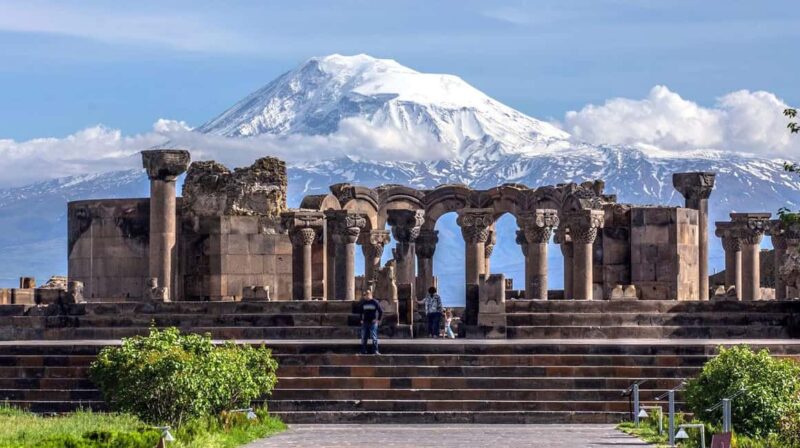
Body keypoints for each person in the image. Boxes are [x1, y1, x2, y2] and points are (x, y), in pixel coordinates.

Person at [358, 289, 383, 355]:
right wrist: (361, 319)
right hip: (365, 322)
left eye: (365, 295)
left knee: (374, 337)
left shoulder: (375, 302)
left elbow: (381, 311)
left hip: (373, 322)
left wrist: (378, 320)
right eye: (364, 295)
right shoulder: (363, 302)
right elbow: (360, 312)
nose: (364, 296)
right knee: (364, 337)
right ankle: (363, 351)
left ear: (369, 295)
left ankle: (375, 351)